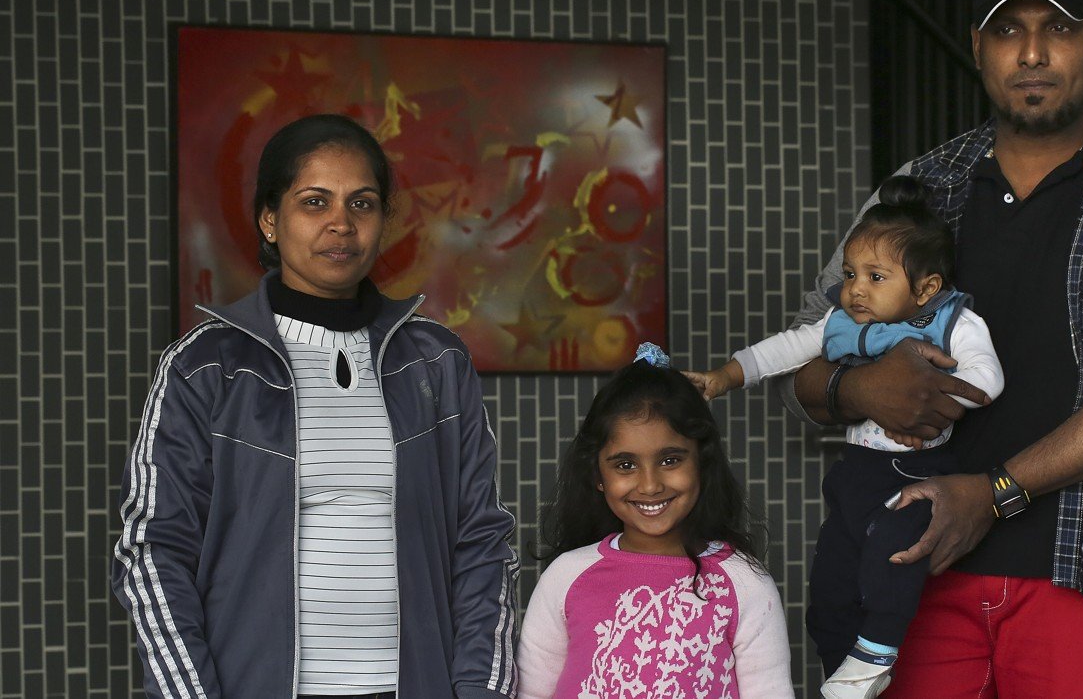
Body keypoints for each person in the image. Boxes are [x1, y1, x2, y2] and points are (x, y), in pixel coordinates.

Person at [773, 0, 1083, 697]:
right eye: (1009, 30)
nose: (1033, 52)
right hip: (915, 579)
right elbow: (802, 359)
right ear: (978, 47)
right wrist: (858, 392)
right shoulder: (917, 189)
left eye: (1058, 28)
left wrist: (995, 492)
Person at [111, 114, 519, 698]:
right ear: (270, 220)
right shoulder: (205, 368)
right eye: (314, 202)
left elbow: (482, 542)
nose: (341, 224)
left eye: (362, 203)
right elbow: (154, 549)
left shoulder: (436, 362)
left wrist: (480, 689)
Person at [684, 176, 1003, 697]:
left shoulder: (954, 324)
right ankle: (841, 671)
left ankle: (874, 656)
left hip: (916, 474)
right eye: (852, 273)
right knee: (830, 588)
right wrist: (723, 377)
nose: (856, 288)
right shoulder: (840, 321)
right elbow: (783, 351)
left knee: (894, 560)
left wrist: (937, 402)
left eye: (876, 277)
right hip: (855, 474)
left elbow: (988, 379)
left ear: (926, 288)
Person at [517, 345, 794, 699]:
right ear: (598, 476)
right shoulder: (566, 576)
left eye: (670, 460)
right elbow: (532, 693)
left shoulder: (744, 584)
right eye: (625, 465)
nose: (649, 485)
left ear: (702, 462)